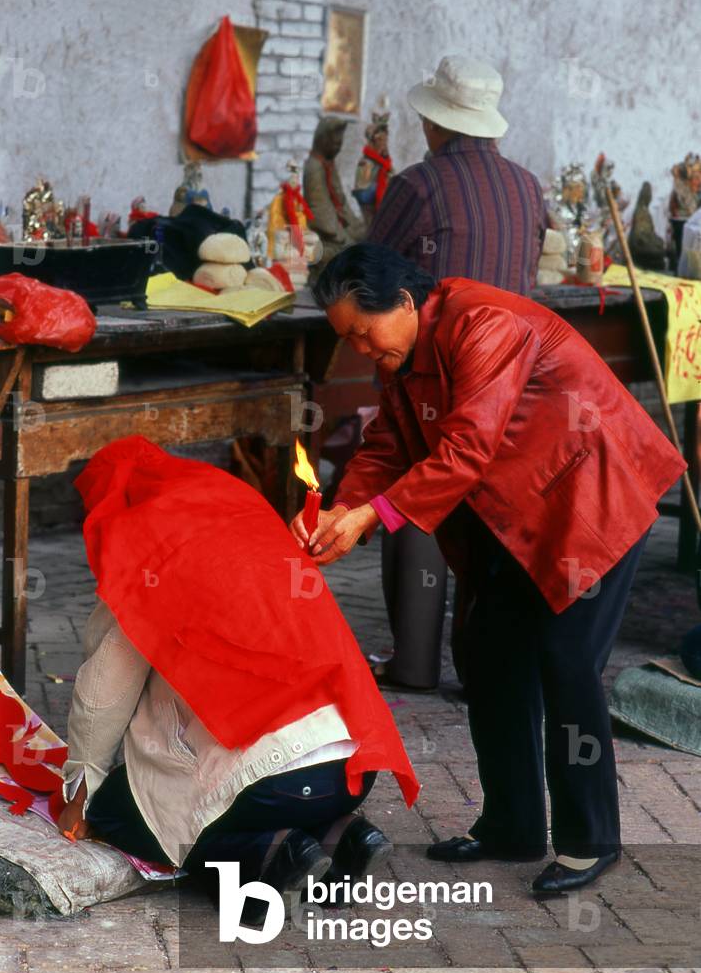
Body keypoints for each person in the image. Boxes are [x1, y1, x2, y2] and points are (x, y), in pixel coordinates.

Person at [290, 243, 686, 894]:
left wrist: (370, 517)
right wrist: (342, 509)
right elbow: (386, 443)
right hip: (520, 517)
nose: (360, 348)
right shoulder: (401, 358)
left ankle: (591, 841)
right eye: (348, 338)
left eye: (363, 331)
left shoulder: (482, 323)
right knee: (487, 649)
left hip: (593, 496)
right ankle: (513, 824)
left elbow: (468, 445)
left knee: (565, 655)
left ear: (405, 302)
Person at [57, 436, 419, 920]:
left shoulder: (147, 549)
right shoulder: (247, 516)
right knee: (262, 785)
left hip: (270, 785)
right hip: (353, 769)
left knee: (121, 812)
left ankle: (271, 855)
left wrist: (80, 790)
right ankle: (343, 834)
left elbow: (105, 690)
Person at [366, 56, 548, 692]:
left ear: (434, 124)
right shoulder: (528, 186)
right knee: (490, 510)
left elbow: (374, 274)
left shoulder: (418, 186)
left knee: (420, 485)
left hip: (440, 368)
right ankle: (480, 666)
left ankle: (414, 661)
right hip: (517, 379)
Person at [303, 117, 366, 272]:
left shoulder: (328, 164)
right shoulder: (314, 167)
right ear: (324, 140)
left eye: (340, 144)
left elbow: (341, 200)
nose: (338, 148)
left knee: (366, 241)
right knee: (351, 253)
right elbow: (321, 210)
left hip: (336, 227)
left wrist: (358, 227)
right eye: (336, 144)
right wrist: (344, 238)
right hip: (323, 235)